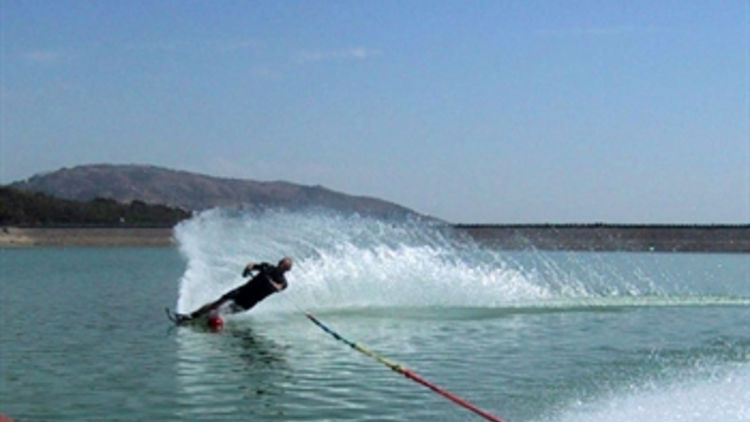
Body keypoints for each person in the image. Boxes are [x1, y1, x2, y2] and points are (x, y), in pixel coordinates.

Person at [176, 257, 292, 323]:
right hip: (242, 291)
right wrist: (247, 269)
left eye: (284, 266)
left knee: (226, 311)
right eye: (281, 264)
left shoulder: (283, 282)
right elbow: (252, 265)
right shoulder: (267, 267)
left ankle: (207, 319)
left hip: (250, 301)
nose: (281, 266)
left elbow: (279, 287)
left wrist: (270, 282)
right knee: (218, 302)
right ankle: (192, 316)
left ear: (287, 269)